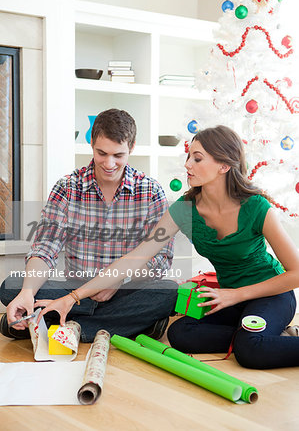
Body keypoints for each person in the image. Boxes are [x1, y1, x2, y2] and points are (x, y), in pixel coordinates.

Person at [22, 124, 299, 369]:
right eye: (189, 156)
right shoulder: (184, 209)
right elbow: (136, 257)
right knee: (181, 334)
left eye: (198, 158)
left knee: (250, 351)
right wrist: (72, 297)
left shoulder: (257, 207)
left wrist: (236, 296)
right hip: (228, 299)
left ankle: (256, 339)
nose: (188, 164)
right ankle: (259, 336)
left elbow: (295, 273)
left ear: (224, 165)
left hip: (270, 294)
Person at [0, 108, 178, 342]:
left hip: (122, 289)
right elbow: (44, 249)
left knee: (167, 291)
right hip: (74, 288)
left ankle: (54, 322)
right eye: (101, 153)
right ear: (91, 143)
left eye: (118, 155)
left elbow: (159, 260)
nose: (109, 163)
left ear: (131, 148)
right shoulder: (67, 187)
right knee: (11, 286)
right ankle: (127, 327)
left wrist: (118, 280)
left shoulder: (151, 191)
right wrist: (27, 292)